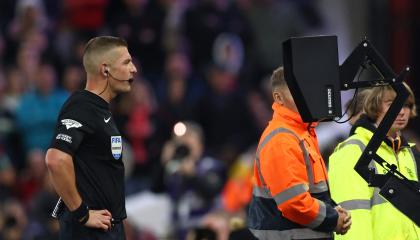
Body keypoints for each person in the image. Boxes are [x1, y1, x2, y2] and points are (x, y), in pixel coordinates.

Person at [45, 36, 137, 239]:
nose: (134, 69)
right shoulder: (82, 107)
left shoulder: (100, 110)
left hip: (106, 227)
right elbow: (56, 159)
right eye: (126, 62)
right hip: (88, 231)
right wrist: (82, 214)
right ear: (106, 69)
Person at [247, 66, 351, 240]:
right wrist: (333, 219)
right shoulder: (282, 138)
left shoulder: (302, 133)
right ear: (278, 98)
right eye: (296, 91)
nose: (305, 95)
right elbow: (294, 203)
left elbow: (311, 192)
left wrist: (332, 210)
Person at [328, 83, 420, 239]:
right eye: (393, 104)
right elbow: (354, 221)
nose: (402, 111)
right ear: (375, 107)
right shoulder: (352, 151)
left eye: (407, 105)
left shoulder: (409, 153)